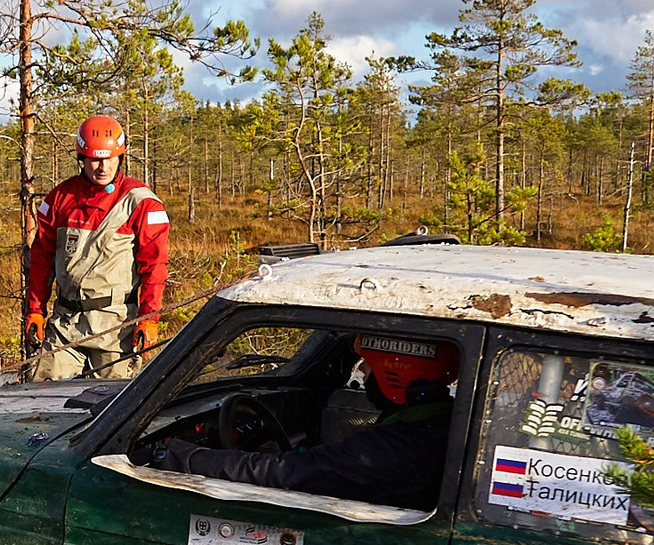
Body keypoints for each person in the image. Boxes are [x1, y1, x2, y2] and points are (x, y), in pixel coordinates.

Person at [149, 334, 459, 511]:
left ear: (397, 372)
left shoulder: (390, 449)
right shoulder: (441, 420)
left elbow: (282, 473)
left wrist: (177, 455)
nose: (362, 373)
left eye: (370, 365)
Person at [25, 115, 171, 382]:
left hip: (115, 326)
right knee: (41, 400)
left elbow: (155, 266)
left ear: (121, 157)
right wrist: (35, 310)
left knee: (115, 410)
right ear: (81, 159)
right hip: (65, 323)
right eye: (94, 159)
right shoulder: (59, 198)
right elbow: (41, 259)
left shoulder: (142, 203)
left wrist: (149, 317)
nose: (102, 167)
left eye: (109, 158)